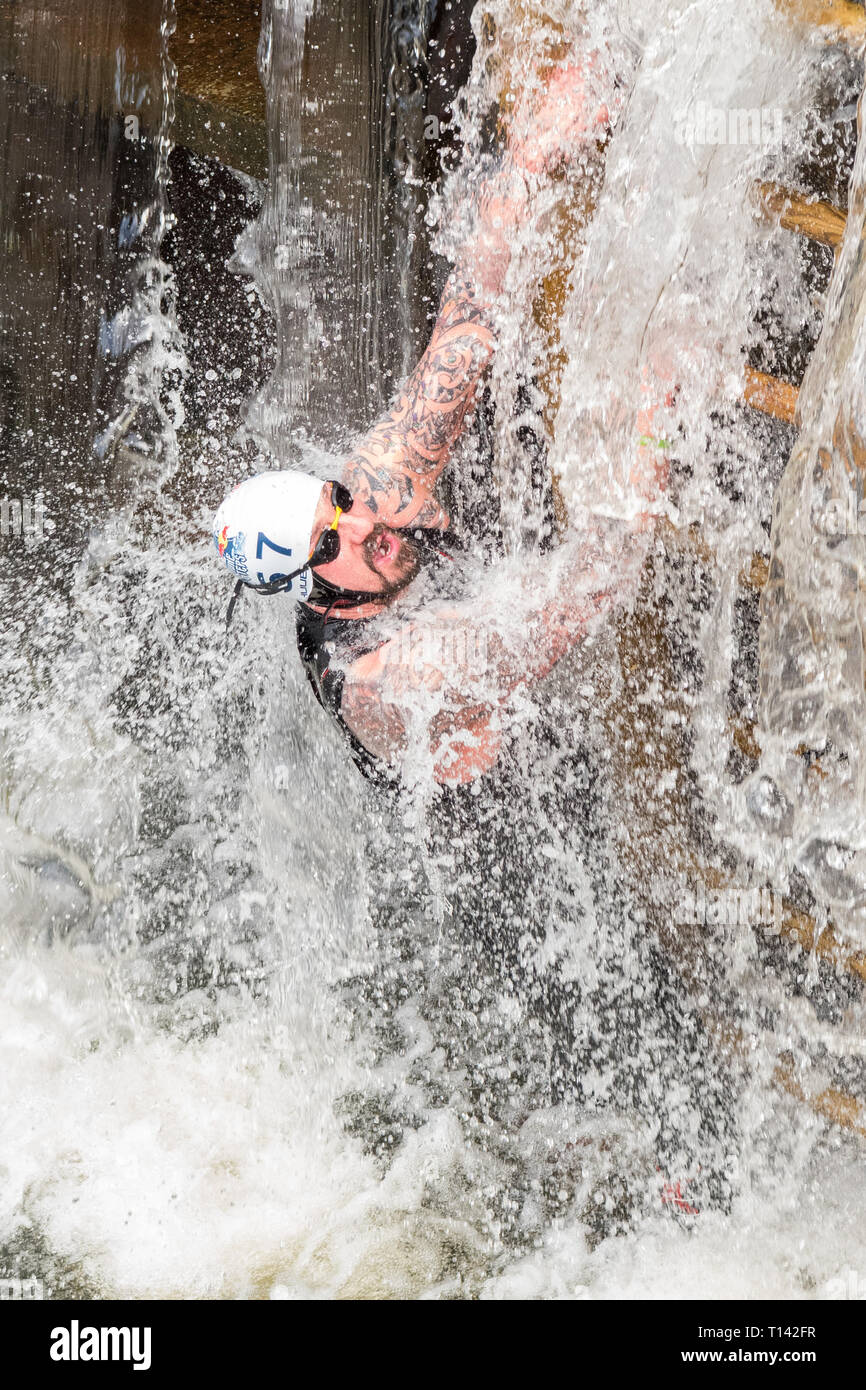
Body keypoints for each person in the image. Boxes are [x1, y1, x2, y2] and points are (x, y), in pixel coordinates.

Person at [213, 59, 672, 786]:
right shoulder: (389, 677)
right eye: (331, 542)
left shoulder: (378, 487)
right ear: (315, 591)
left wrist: (536, 153)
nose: (363, 525)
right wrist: (659, 422)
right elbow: (597, 580)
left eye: (338, 503)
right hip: (481, 820)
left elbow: (472, 316)